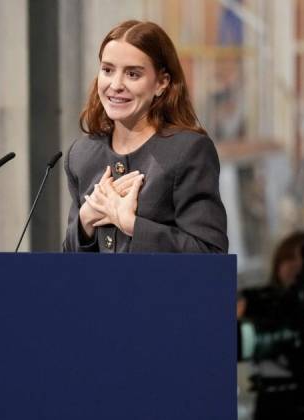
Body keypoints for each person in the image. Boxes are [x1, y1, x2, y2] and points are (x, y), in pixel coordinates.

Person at [62, 20, 228, 253]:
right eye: (107, 70)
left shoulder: (188, 151)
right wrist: (86, 220)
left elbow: (211, 254)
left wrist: (132, 225)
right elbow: (67, 269)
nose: (116, 84)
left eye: (132, 74)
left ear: (162, 82)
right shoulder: (81, 154)